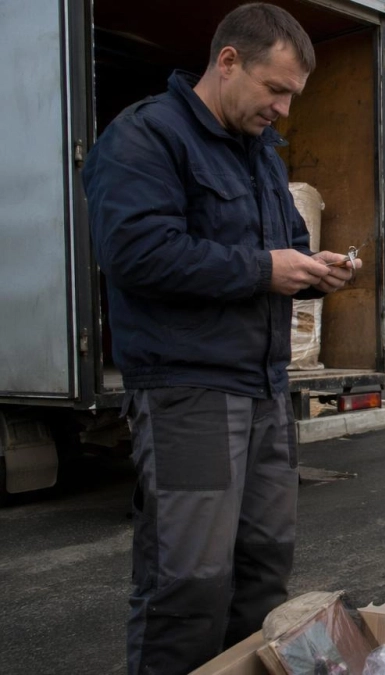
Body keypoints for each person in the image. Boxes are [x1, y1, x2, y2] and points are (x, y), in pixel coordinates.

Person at [82, 5, 363, 673]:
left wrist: (316, 272)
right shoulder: (147, 136)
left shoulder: (261, 155)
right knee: (189, 581)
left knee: (265, 569)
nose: (285, 110)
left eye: (292, 95)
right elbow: (136, 252)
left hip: (264, 389)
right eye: (276, 89)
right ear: (228, 62)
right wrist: (266, 269)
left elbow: (286, 250)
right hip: (189, 390)